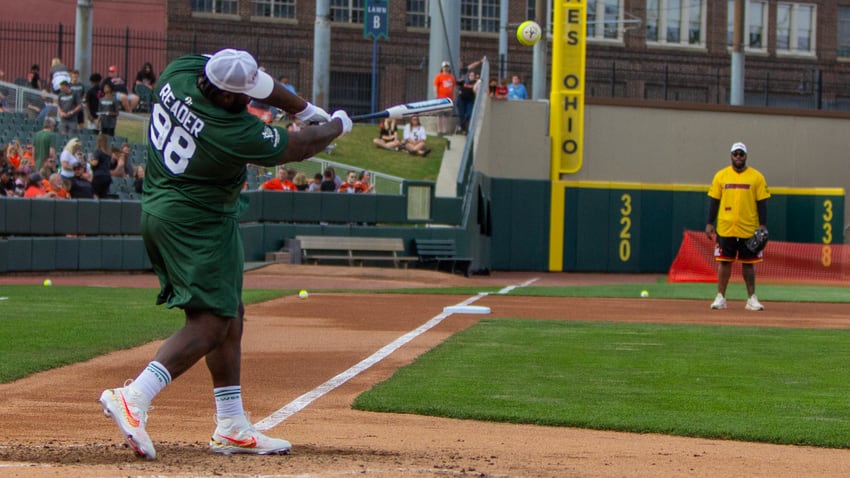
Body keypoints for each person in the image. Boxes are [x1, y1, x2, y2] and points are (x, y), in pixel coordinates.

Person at [98, 47, 349, 460]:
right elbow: (300, 149)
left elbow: (261, 86)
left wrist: (305, 109)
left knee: (230, 312)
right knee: (212, 323)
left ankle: (231, 425)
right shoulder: (233, 131)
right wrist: (335, 125)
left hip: (180, 212)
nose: (252, 97)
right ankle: (135, 395)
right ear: (231, 97)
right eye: (245, 94)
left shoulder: (179, 71)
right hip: (192, 221)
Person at [705, 142, 770, 311]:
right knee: (724, 262)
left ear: (746, 156)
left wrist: (762, 225)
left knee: (748, 263)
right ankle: (720, 297)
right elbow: (714, 201)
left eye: (741, 154)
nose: (738, 157)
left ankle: (751, 298)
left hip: (748, 227)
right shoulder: (721, 176)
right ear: (731, 155)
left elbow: (762, 202)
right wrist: (709, 223)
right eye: (736, 154)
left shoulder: (756, 177)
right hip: (726, 226)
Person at [432, 60, 456, 135]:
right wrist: (436, 95)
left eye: (447, 67)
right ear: (442, 68)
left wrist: (454, 97)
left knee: (447, 115)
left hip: (449, 99)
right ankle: (439, 130)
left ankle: (445, 130)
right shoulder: (439, 76)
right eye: (444, 67)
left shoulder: (451, 77)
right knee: (439, 115)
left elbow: (454, 88)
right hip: (440, 98)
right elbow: (435, 86)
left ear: (449, 68)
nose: (445, 68)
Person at [455, 70, 477, 134]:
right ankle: (463, 129)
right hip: (462, 99)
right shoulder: (464, 81)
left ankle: (460, 126)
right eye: (470, 75)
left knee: (468, 114)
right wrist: (458, 90)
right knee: (462, 114)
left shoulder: (475, 83)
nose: (471, 77)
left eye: (473, 76)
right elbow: (456, 84)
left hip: (469, 100)